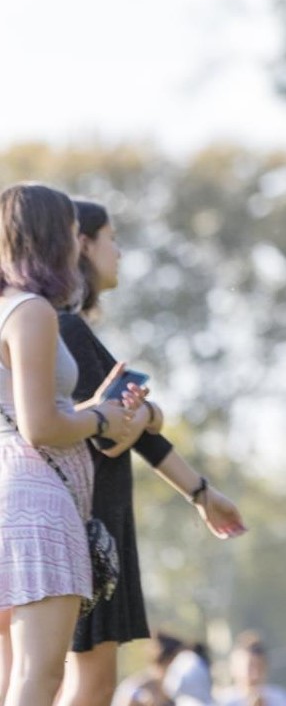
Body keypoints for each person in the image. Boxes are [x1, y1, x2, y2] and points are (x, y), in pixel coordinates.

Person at [59, 199, 247, 706]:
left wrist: (199, 490)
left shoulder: (61, 327)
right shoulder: (64, 328)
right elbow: (113, 433)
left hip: (87, 516)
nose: (119, 251)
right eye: (111, 238)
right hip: (88, 520)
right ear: (82, 243)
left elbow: (128, 423)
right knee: (88, 684)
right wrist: (147, 418)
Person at [0, 183, 146, 706]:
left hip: (10, 493)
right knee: (39, 677)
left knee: (16, 675)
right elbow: (40, 427)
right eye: (70, 231)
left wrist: (89, 411)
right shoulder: (31, 311)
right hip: (37, 502)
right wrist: (102, 418)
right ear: (52, 237)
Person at [215, 632, 286, 706]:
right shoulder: (223, 702)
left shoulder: (280, 698)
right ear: (234, 668)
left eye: (260, 667)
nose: (255, 675)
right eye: (249, 667)